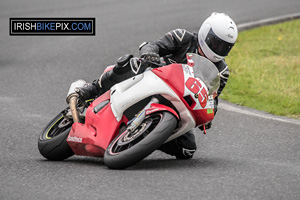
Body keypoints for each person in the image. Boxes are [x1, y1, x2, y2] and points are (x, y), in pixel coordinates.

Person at [75, 12, 238, 159]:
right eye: (216, 43)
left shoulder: (221, 71)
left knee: (187, 150)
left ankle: (147, 136)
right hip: (154, 78)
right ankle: (91, 89)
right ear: (206, 33)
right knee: (130, 63)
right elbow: (153, 46)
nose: (219, 49)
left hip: (180, 105)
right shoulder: (183, 37)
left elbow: (213, 100)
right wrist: (149, 53)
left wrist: (209, 114)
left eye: (224, 47)